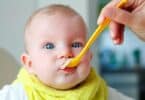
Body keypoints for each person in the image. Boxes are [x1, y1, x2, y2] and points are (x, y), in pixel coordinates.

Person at [0, 4, 133, 100]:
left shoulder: (102, 93)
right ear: (29, 64)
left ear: (89, 56)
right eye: (49, 46)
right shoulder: (17, 94)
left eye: (76, 44)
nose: (66, 52)